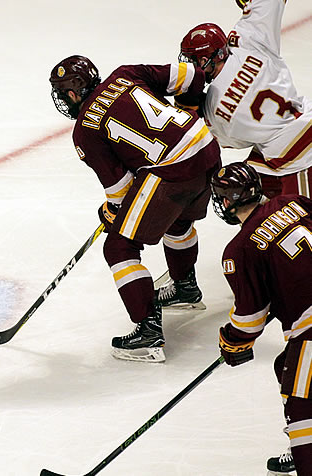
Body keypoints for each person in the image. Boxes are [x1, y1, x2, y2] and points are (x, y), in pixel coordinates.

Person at [49, 55, 221, 362]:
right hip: (206, 147)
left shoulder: (85, 129)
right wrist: (190, 111)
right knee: (177, 221)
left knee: (119, 246)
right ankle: (184, 287)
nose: (64, 99)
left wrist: (112, 212)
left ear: (74, 90)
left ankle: (148, 332)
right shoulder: (125, 74)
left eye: (64, 92)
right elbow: (192, 75)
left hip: (173, 171)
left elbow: (121, 189)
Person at [211, 161, 312, 476]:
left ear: (227, 202)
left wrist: (232, 341)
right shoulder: (292, 201)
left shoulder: (239, 249)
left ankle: (304, 450)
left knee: (302, 410)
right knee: (284, 364)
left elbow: (250, 320)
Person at [179, 0, 312, 200]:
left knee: (296, 217)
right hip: (306, 121)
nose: (192, 67)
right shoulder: (247, 40)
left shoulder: (214, 112)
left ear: (211, 58)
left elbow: (234, 143)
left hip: (295, 158)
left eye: (195, 60)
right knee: (253, 177)